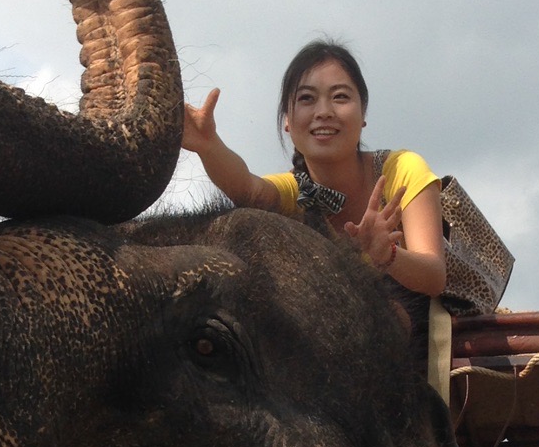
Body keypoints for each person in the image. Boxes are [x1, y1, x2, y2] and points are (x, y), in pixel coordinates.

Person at [180, 40, 446, 348]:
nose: (324, 112)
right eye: (307, 98)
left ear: (363, 116)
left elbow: (435, 276)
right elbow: (247, 188)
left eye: (340, 97)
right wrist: (208, 146)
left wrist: (388, 256)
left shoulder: (401, 168)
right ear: (288, 123)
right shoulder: (296, 192)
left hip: (415, 337)